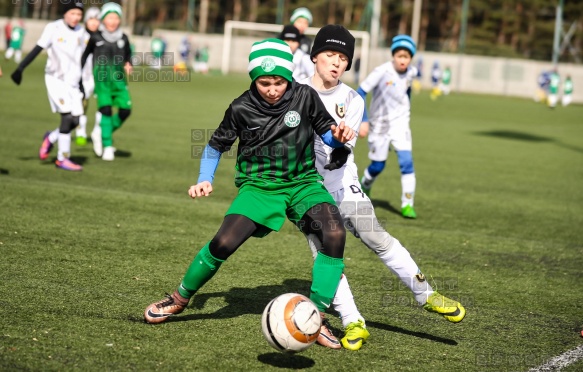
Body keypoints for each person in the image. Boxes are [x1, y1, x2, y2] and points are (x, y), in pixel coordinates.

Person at [143, 39, 356, 349]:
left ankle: (317, 316)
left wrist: (337, 136)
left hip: (302, 183)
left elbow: (327, 131)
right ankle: (179, 298)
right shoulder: (241, 107)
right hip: (258, 186)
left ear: (289, 77)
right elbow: (216, 145)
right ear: (253, 79)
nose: (272, 89)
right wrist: (205, 178)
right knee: (223, 243)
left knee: (334, 234)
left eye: (279, 82)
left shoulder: (305, 96)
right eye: (264, 82)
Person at [300, 25, 466, 351]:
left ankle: (425, 294)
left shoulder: (350, 99)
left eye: (343, 58)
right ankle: (353, 322)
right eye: (330, 55)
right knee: (326, 255)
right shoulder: (293, 92)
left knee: (376, 236)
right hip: (306, 189)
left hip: (343, 182)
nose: (336, 62)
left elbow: (337, 146)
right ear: (315, 56)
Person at [10, 3, 86, 171]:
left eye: (79, 14)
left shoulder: (82, 31)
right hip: (55, 79)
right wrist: (20, 68)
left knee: (76, 121)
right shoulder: (54, 27)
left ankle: (51, 138)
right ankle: (62, 158)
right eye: (72, 13)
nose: (76, 17)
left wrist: (81, 84)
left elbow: (80, 59)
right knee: (66, 117)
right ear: (65, 13)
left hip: (73, 82)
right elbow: (38, 48)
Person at [357, 35, 419, 219]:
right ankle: (366, 184)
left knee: (407, 163)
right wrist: (364, 120)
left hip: (400, 125)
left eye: (406, 57)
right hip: (379, 126)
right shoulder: (381, 71)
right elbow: (360, 92)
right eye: (399, 56)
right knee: (378, 166)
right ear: (393, 56)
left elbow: (406, 90)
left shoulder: (411, 72)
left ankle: (407, 204)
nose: (403, 60)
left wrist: (406, 108)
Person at [81, 2, 133, 162]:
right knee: (106, 111)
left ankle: (102, 132)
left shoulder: (123, 38)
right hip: (102, 82)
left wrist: (128, 64)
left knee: (125, 110)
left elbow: (128, 56)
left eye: (116, 17)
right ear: (104, 19)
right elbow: (84, 56)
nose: (113, 21)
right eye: (110, 17)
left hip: (119, 82)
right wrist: (80, 76)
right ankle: (108, 146)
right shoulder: (95, 37)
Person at [75, 6, 101, 146]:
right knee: (82, 104)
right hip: (82, 76)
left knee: (102, 104)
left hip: (98, 76)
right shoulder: (79, 34)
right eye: (91, 19)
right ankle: (81, 132)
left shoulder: (103, 37)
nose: (94, 22)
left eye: (97, 19)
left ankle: (98, 131)